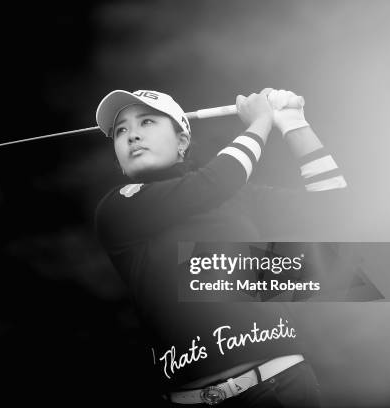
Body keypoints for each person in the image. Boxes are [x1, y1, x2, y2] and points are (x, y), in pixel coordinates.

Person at [94, 88, 347, 407]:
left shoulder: (237, 196)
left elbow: (335, 208)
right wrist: (260, 122)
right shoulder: (118, 208)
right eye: (120, 131)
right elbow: (218, 179)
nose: (132, 136)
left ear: (182, 141)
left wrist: (293, 123)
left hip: (280, 389)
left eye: (147, 122)